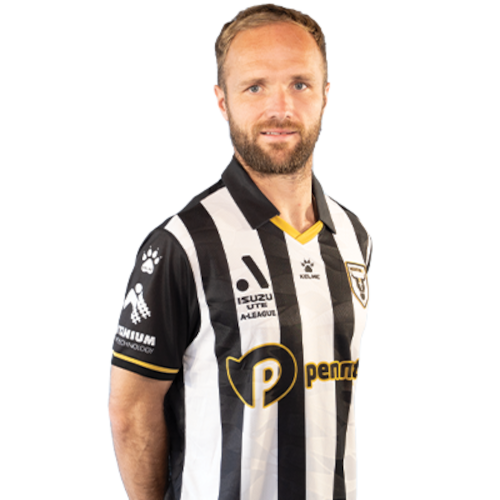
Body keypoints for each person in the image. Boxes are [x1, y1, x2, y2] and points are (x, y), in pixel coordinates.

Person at [107, 4, 372, 500]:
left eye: (299, 84)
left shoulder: (352, 234)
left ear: (325, 94)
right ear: (222, 101)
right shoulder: (183, 244)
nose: (281, 109)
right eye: (255, 87)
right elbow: (131, 411)